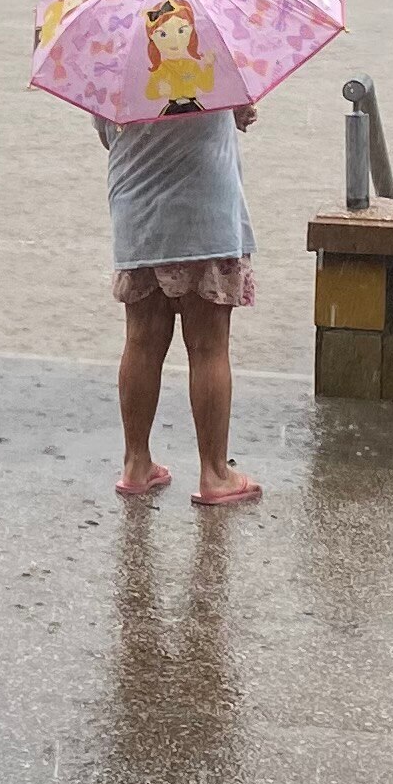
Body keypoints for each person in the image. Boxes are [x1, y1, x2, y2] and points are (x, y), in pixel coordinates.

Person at [105, 94, 261, 506]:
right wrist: (235, 110)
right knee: (208, 347)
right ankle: (215, 473)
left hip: (140, 216)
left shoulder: (113, 68)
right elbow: (220, 110)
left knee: (141, 342)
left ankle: (136, 463)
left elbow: (109, 133)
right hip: (205, 217)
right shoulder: (215, 65)